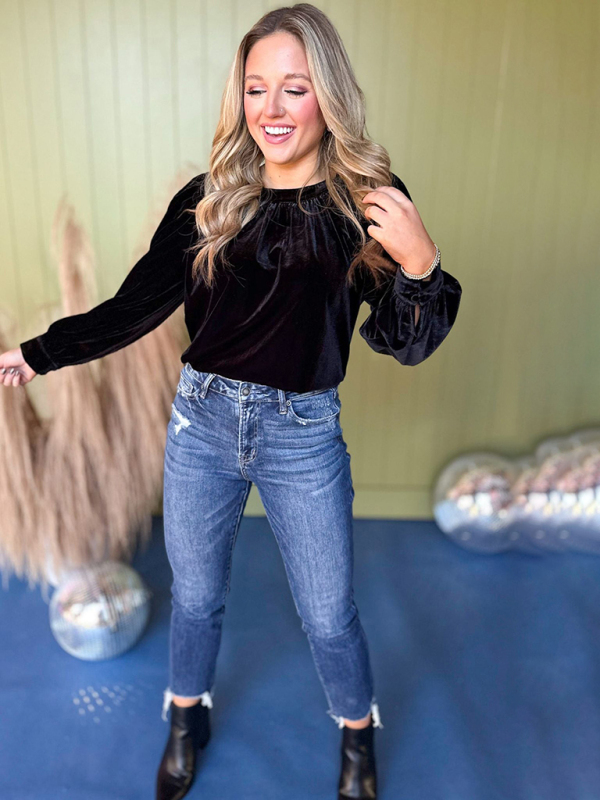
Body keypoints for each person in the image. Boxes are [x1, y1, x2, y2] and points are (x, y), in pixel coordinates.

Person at [0, 4, 462, 799]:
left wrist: (421, 265)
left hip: (303, 436)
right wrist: (39, 354)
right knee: (196, 597)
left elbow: (404, 341)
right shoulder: (209, 198)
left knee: (329, 614)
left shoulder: (367, 201)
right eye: (256, 88)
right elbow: (135, 306)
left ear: (328, 95)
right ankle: (187, 717)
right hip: (202, 423)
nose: (271, 109)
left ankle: (356, 730)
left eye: (294, 88)